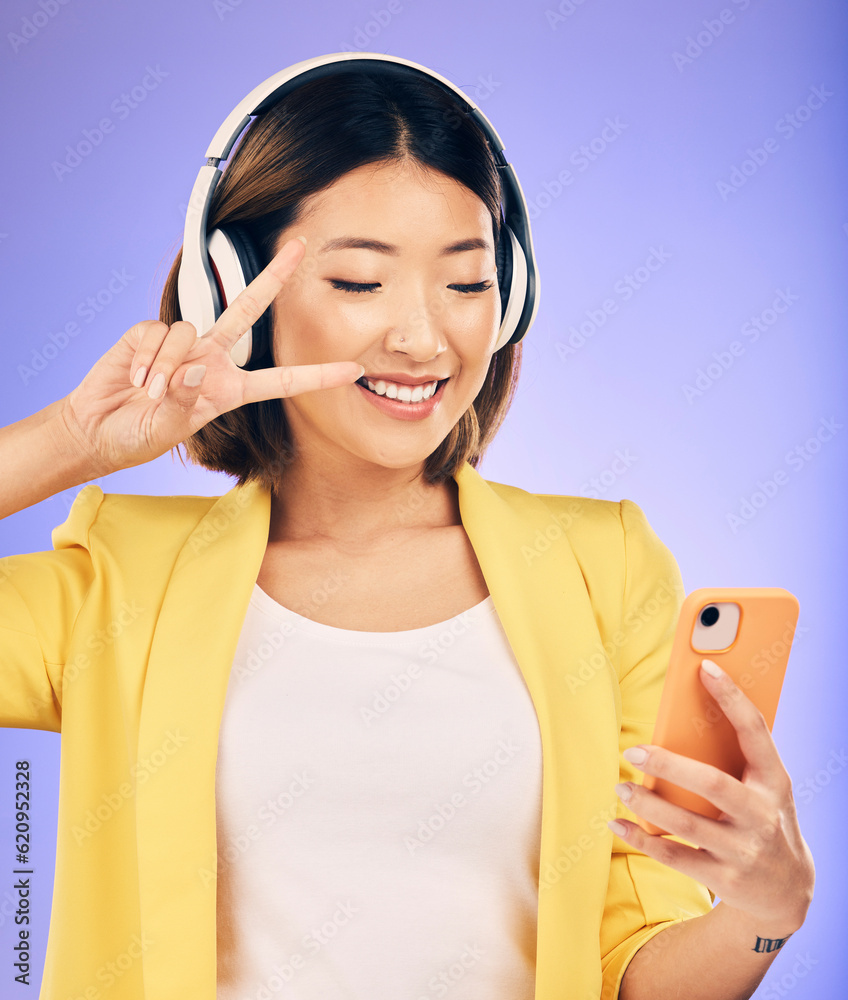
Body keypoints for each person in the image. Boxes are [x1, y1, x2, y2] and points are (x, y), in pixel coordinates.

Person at [0, 54, 813, 1000]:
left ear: (509, 298)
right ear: (231, 293)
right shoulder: (119, 579)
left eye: (465, 285)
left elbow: (636, 974)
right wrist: (69, 441)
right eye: (358, 282)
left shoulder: (604, 571)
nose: (424, 339)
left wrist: (763, 918)